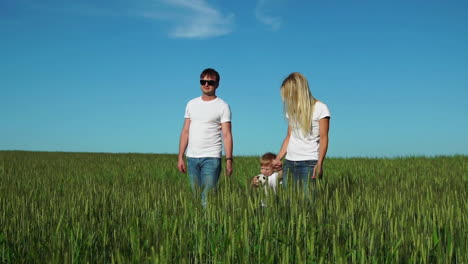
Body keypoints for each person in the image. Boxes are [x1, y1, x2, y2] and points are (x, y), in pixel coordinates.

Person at [177, 68, 233, 207]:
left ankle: (208, 226)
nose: (206, 84)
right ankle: (197, 227)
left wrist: (229, 159)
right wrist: (180, 157)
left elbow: (226, 134)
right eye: (203, 81)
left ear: (217, 84)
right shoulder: (191, 104)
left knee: (207, 199)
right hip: (192, 158)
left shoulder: (223, 106)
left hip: (212, 157)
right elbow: (185, 131)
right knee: (195, 197)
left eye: (210, 82)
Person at [272, 72, 330, 193]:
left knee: (308, 204)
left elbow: (324, 138)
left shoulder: (321, 108)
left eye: (289, 94)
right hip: (289, 163)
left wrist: (320, 163)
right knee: (289, 202)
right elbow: (289, 136)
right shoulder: (291, 110)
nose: (287, 98)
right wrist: (278, 158)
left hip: (309, 164)